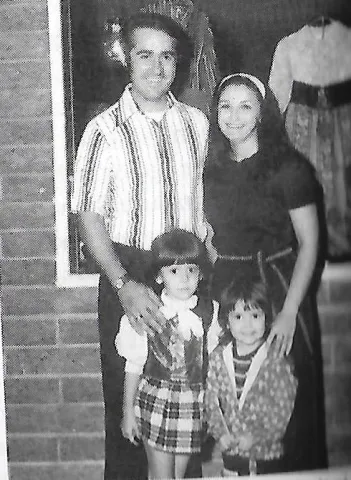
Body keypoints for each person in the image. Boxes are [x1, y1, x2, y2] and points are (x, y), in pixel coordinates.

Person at [71, 12, 209, 480]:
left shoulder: (197, 124)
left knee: (184, 410)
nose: (156, 66)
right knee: (131, 415)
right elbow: (88, 216)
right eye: (144, 54)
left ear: (179, 62)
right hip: (129, 272)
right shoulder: (104, 129)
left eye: (166, 55)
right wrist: (123, 282)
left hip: (186, 273)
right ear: (126, 60)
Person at [204, 73, 328, 471]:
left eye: (245, 105)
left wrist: (290, 311)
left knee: (281, 403)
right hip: (229, 295)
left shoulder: (287, 167)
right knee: (234, 397)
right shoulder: (213, 169)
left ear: (261, 113)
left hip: (277, 292)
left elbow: (310, 243)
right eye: (225, 105)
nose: (234, 116)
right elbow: (216, 240)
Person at [116, 229, 220, 479]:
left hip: (192, 407)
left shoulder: (210, 311)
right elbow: (133, 365)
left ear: (201, 273)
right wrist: (128, 412)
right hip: (156, 403)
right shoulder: (149, 311)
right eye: (174, 271)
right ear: (160, 276)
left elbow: (215, 363)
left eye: (191, 270)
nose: (184, 278)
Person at [205, 278, 297, 476]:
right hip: (231, 455)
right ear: (227, 322)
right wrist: (220, 434)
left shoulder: (276, 361)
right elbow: (211, 401)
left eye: (255, 315)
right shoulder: (219, 358)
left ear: (267, 318)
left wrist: (256, 436)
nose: (247, 325)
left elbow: (282, 410)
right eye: (238, 317)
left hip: (266, 456)